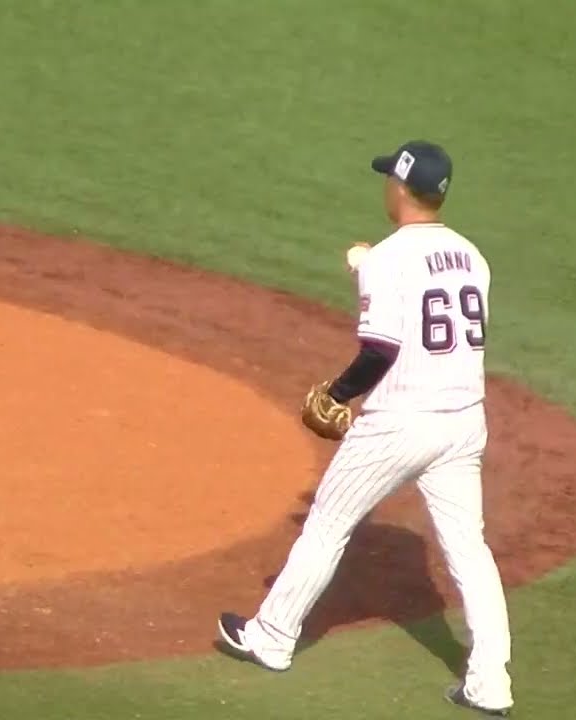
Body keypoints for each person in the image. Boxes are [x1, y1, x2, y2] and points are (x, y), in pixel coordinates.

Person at [217, 141, 514, 716]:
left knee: (327, 524)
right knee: (469, 550)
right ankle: (490, 681)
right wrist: (369, 263)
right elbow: (428, 289)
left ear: (400, 188)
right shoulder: (472, 256)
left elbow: (381, 348)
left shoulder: (388, 259)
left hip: (399, 424)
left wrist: (337, 393)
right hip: (463, 423)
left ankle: (271, 637)